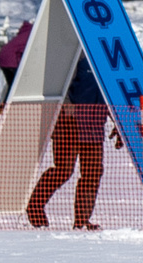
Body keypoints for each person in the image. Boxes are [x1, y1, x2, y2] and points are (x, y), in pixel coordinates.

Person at [27, 56, 115, 228]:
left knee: (93, 173)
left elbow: (110, 93)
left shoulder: (106, 57)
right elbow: (59, 82)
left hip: (94, 124)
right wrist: (66, 103)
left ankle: (82, 221)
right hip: (69, 122)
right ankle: (34, 206)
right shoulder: (76, 54)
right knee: (64, 170)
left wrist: (118, 122)